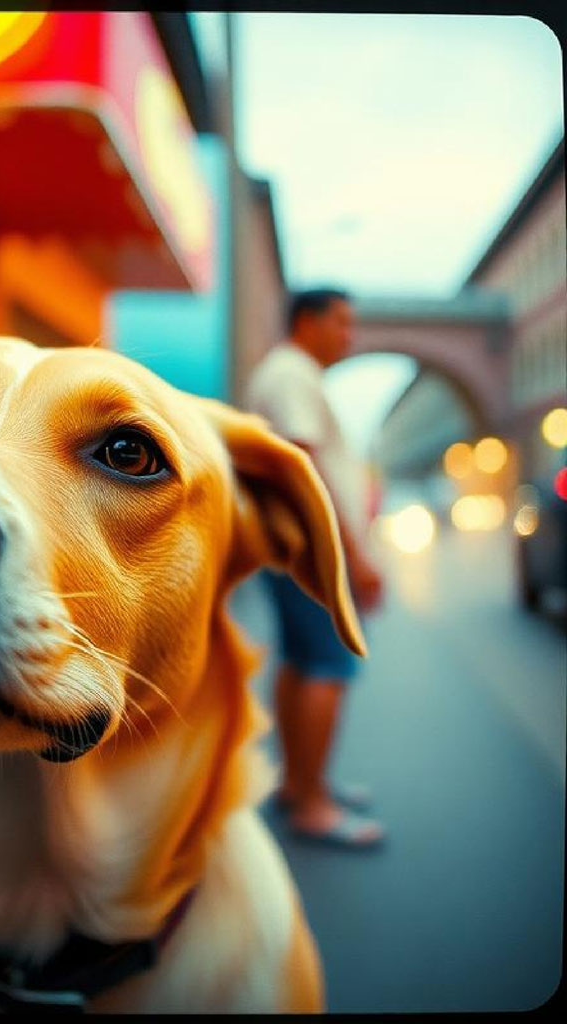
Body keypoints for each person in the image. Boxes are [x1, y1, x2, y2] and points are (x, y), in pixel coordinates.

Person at [245, 287, 386, 848]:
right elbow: (302, 462)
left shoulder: (287, 374)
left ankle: (301, 782)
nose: (349, 336)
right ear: (307, 321)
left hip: (296, 547)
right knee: (329, 665)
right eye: (342, 323)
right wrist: (352, 556)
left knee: (303, 662)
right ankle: (313, 805)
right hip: (313, 551)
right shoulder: (291, 374)